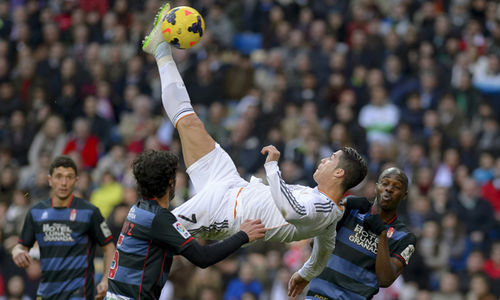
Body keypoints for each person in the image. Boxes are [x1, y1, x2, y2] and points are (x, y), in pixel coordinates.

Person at [142, 2, 368, 285]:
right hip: (231, 184)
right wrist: (304, 274)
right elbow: (325, 251)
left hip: (225, 215)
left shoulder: (321, 208)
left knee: (152, 229)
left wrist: (272, 167)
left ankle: (117, 284)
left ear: (339, 174)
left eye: (331, 159)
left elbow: (292, 212)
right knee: (189, 122)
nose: (324, 160)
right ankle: (161, 49)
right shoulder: (329, 213)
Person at [106, 150, 267, 299]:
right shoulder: (159, 218)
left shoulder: (138, 209)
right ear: (170, 182)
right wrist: (243, 235)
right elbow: (203, 258)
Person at [301, 167, 417, 299]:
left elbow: (385, 280)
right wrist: (341, 205)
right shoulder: (352, 209)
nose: (389, 189)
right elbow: (314, 243)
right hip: (319, 295)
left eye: (396, 187)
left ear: (404, 195)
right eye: (385, 183)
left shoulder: (405, 237)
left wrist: (382, 235)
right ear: (376, 187)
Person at [11, 156, 116, 300]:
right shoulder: (36, 212)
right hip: (46, 292)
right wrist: (17, 252)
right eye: (58, 177)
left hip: (79, 294)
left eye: (69, 177)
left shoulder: (90, 212)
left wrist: (106, 279)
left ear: (76, 181)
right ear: (49, 180)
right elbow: (22, 246)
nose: (64, 183)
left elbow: (109, 247)